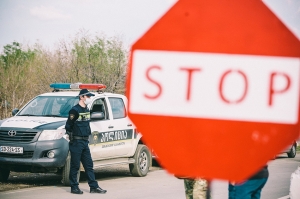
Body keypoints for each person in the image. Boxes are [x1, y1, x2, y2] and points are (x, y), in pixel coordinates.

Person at [65, 88, 107, 194]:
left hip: (85, 142)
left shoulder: (87, 109)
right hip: (76, 142)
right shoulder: (74, 110)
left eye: (89, 96)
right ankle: (74, 187)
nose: (89, 98)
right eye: (87, 96)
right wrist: (72, 137)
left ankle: (93, 187)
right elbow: (68, 126)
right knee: (75, 165)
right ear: (81, 97)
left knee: (89, 165)